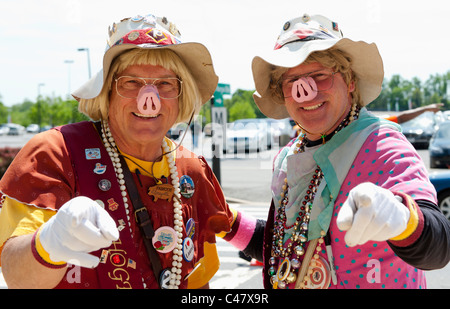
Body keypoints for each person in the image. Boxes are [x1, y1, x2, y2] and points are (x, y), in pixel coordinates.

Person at [0, 13, 260, 289]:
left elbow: (197, 281)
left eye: (165, 84)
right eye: (131, 83)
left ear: (181, 96)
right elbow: (18, 278)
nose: (149, 100)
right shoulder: (55, 153)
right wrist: (48, 244)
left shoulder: (190, 169)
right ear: (106, 93)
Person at [247, 13, 450, 289]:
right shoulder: (288, 157)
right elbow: (289, 254)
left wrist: (403, 219)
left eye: (319, 76)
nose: (305, 92)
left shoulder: (381, 144)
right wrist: (228, 223)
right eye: (292, 82)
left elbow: (439, 246)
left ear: (350, 81)